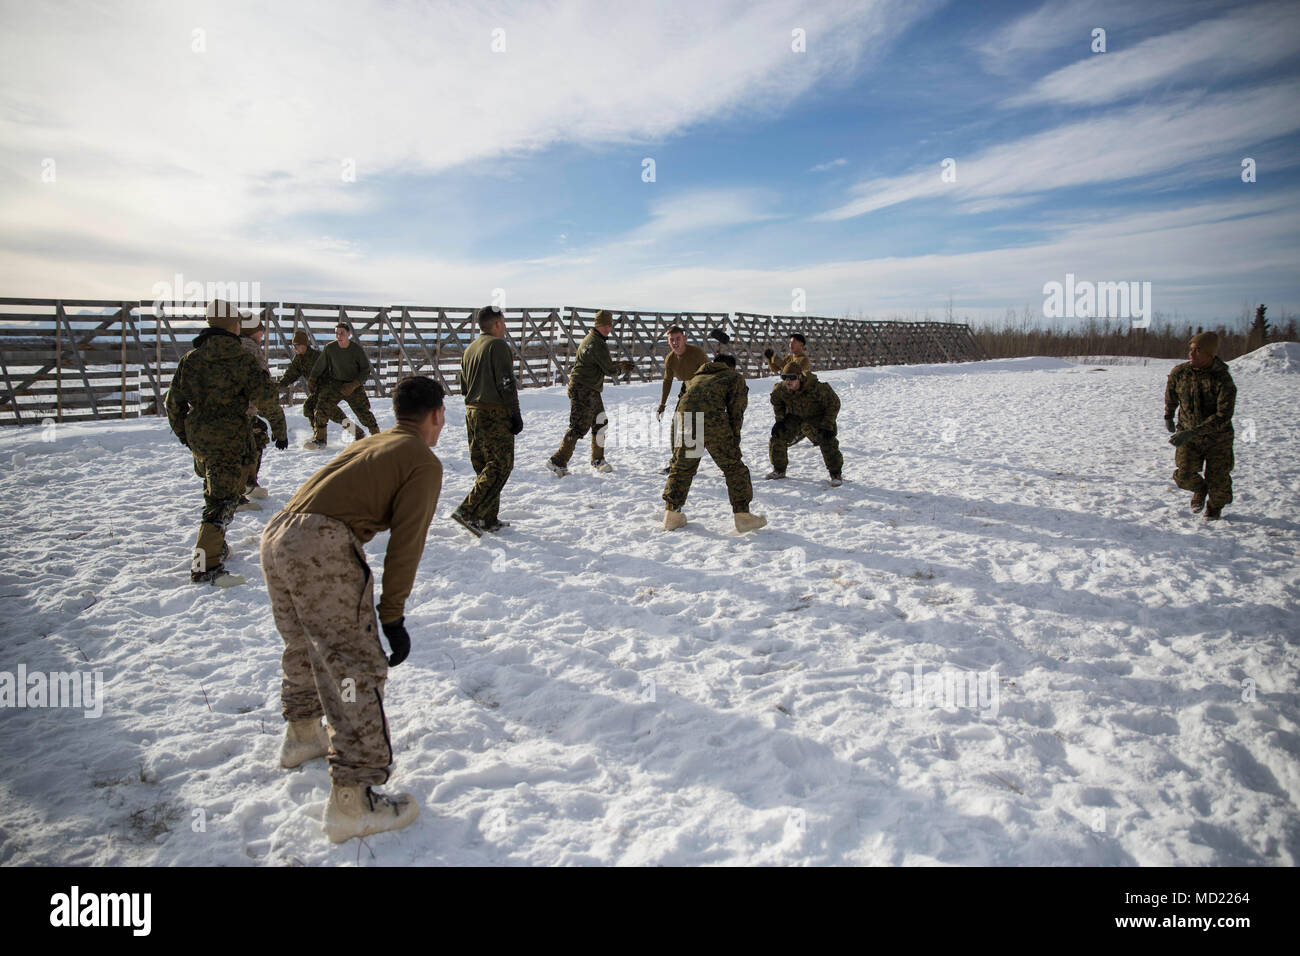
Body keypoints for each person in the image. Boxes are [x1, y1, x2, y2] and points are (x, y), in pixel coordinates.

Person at [261, 375, 445, 843]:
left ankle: (303, 733)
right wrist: (392, 615)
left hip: (278, 535)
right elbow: (408, 544)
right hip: (320, 543)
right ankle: (353, 800)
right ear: (437, 416)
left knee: (304, 643)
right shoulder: (421, 460)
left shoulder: (376, 443)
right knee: (353, 664)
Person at [165, 299, 279, 586]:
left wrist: (185, 434)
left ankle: (218, 547)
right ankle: (206, 566)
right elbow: (267, 399)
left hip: (201, 439)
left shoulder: (191, 359)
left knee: (216, 492)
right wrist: (279, 427)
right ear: (232, 325)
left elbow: (173, 403)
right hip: (231, 439)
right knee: (221, 502)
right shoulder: (242, 359)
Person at [662, 352, 767, 533]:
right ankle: (743, 516)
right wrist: (733, 442)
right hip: (713, 419)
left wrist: (676, 450)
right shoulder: (732, 377)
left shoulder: (693, 379)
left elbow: (678, 412)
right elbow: (736, 411)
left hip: (686, 420)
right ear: (730, 367)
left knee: (682, 468)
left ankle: (672, 515)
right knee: (734, 468)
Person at [453, 305, 522, 535]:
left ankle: (488, 518)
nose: (505, 327)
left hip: (472, 411)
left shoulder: (470, 348)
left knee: (484, 465)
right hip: (493, 411)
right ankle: (467, 511)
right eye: (503, 322)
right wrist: (514, 413)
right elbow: (506, 383)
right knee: (500, 464)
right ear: (497, 324)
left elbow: (463, 385)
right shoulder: (498, 345)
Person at [547, 309, 633, 476]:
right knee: (579, 426)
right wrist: (622, 367)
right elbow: (609, 369)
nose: (608, 328)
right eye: (605, 325)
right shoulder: (596, 343)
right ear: (597, 325)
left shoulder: (593, 340)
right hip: (583, 389)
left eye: (610, 325)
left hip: (590, 388)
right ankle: (557, 461)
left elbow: (602, 364)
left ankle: (598, 459)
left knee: (600, 422)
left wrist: (617, 365)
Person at [1166, 331, 1236, 520]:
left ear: (1210, 354)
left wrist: (1192, 432)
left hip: (1218, 439)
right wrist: (1168, 415)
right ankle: (1200, 489)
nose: (1192, 354)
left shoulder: (1223, 380)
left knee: (1219, 481)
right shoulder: (1180, 372)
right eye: (1191, 349)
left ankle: (1214, 507)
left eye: (1198, 350)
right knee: (1183, 476)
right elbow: (1171, 393)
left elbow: (1223, 416)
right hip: (1188, 437)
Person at [766, 360, 843, 486]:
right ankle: (779, 470)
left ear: (800, 378)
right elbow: (776, 401)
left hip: (817, 416)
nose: (788, 381)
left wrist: (828, 424)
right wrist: (780, 419)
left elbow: (834, 404)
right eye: (785, 377)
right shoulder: (781, 389)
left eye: (792, 378)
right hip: (795, 416)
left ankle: (836, 473)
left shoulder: (817, 388)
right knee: (777, 436)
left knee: (827, 439)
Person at [305, 321, 380, 449]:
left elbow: (365, 370)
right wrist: (312, 379)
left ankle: (377, 438)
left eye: (342, 333)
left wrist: (354, 384)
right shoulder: (330, 348)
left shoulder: (356, 350)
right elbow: (320, 365)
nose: (339, 336)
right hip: (335, 384)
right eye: (336, 334)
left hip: (353, 385)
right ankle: (320, 440)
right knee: (322, 407)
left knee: (363, 413)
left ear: (348, 334)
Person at [238, 314, 289, 502]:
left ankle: (246, 484)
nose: (262, 335)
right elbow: (263, 394)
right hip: (239, 415)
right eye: (261, 331)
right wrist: (279, 428)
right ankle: (243, 487)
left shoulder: (222, 344)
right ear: (255, 332)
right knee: (255, 434)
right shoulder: (252, 350)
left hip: (205, 416)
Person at [656, 326, 709, 474]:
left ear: (684, 339)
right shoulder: (670, 359)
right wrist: (662, 403)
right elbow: (667, 381)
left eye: (678, 339)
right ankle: (676, 463)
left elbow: (711, 372)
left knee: (699, 430)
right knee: (676, 426)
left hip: (703, 390)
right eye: (671, 340)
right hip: (686, 389)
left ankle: (726, 467)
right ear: (668, 341)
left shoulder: (696, 353)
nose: (675, 342)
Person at [278, 328, 322, 428]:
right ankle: (318, 437)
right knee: (309, 408)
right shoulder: (299, 359)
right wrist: (279, 385)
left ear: (303, 345)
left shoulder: (317, 357)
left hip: (328, 390)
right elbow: (290, 375)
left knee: (326, 413)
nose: (294, 348)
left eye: (296, 346)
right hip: (317, 392)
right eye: (293, 346)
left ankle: (320, 439)